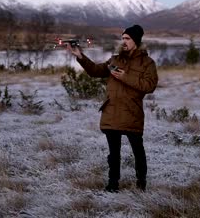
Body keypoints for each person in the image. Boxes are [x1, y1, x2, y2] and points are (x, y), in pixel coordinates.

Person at [67, 24, 158, 192]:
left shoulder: (147, 63)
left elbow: (149, 86)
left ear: (136, 40)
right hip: (112, 112)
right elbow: (95, 71)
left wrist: (126, 77)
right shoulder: (115, 60)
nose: (124, 41)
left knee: (138, 151)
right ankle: (112, 184)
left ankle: (141, 184)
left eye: (127, 38)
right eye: (122, 38)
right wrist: (80, 56)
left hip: (132, 113)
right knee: (113, 154)